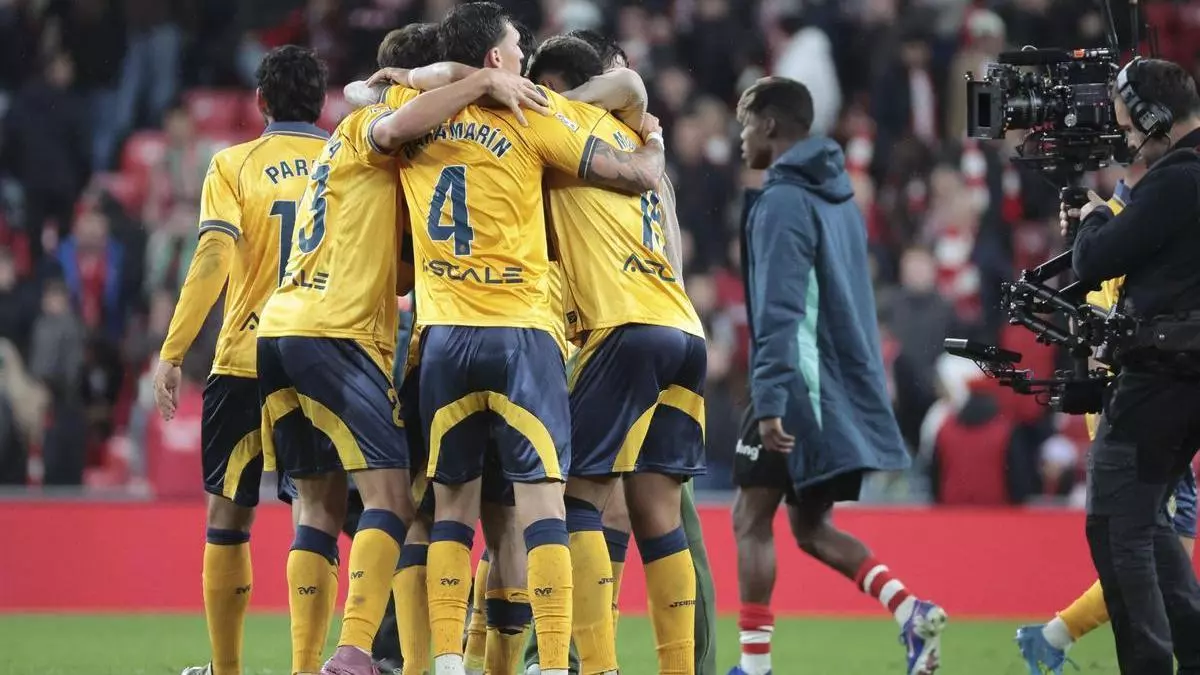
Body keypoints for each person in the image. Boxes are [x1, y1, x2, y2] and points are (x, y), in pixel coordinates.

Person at [386, 4, 664, 674]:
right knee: (542, 506)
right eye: (514, 50)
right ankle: (555, 661)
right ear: (495, 58)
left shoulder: (411, 110)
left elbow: (368, 101)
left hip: (445, 335)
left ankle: (447, 661)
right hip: (522, 335)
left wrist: (446, 79)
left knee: (451, 508)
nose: (522, 59)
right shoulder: (533, 113)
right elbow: (634, 174)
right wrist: (652, 144)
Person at [256, 50, 548, 675]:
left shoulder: (348, 154)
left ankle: (306, 666)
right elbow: (402, 120)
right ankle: (355, 652)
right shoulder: (376, 123)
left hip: (281, 329)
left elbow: (401, 273)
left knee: (318, 507)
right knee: (394, 498)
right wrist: (484, 80)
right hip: (336, 331)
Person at [731, 76, 946, 675]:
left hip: (794, 385)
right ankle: (910, 610)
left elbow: (779, 310)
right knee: (809, 527)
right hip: (835, 387)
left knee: (749, 518)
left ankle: (754, 668)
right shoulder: (840, 199)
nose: (741, 137)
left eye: (746, 124)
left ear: (771, 125)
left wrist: (770, 398)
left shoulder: (782, 201)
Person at [525, 34, 706, 675]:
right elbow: (630, 86)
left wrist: (554, 105)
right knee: (659, 516)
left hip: (624, 327)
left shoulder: (559, 127)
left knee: (575, 501)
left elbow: (624, 86)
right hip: (683, 331)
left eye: (541, 86)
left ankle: (598, 667)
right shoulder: (634, 139)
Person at [149, 45, 329, 675]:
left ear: (260, 102)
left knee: (228, 515)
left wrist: (173, 351)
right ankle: (307, 666)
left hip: (247, 358)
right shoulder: (349, 162)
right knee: (316, 510)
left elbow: (213, 258)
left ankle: (226, 670)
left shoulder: (233, 164)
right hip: (324, 355)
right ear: (321, 103)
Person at [1016, 177, 1199, 674]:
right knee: (1151, 541)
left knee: (1146, 538)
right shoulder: (1137, 234)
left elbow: (1090, 321)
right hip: (1143, 406)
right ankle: (1056, 635)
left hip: (1132, 405)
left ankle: (1055, 636)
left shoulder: (1117, 237)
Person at [1059, 57, 1200, 675]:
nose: (1127, 141)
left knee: (1117, 525)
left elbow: (1095, 260)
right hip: (1185, 379)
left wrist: (1095, 217)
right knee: (1146, 522)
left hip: (1161, 376)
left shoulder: (1177, 180)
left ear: (1155, 118)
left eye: (1128, 127)